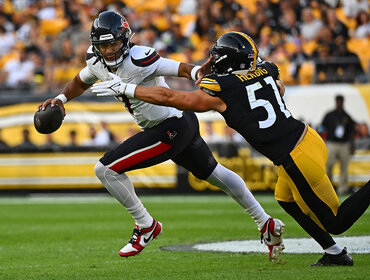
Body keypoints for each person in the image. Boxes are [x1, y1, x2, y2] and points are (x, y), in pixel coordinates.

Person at [92, 31, 370, 266]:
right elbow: (273, 78)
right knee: (284, 199)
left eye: (218, 59)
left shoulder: (221, 89)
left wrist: (129, 88)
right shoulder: (267, 69)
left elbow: (173, 98)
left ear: (226, 62)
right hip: (308, 137)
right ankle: (335, 254)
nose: (214, 63)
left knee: (334, 220)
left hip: (294, 156)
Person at [37, 11, 283, 261]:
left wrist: (198, 72)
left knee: (106, 169)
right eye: (104, 45)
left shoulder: (140, 57)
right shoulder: (95, 61)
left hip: (170, 126)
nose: (110, 51)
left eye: (114, 43)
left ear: (125, 39)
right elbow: (82, 79)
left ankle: (146, 225)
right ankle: (266, 223)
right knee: (215, 173)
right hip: (179, 123)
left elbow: (183, 68)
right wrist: (61, 98)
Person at [320, 94, 356, 195]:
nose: (339, 103)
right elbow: (322, 127)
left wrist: (352, 145)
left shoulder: (346, 116)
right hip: (332, 143)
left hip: (344, 144)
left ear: (342, 102)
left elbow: (352, 131)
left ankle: (342, 189)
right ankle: (327, 188)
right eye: (338, 101)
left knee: (344, 168)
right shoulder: (329, 115)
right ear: (335, 102)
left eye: (341, 101)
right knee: (329, 166)